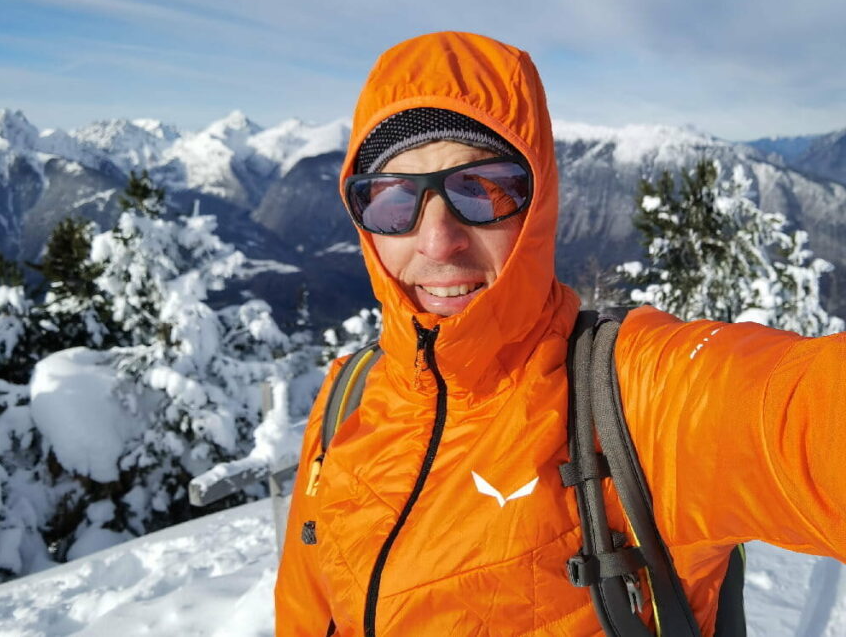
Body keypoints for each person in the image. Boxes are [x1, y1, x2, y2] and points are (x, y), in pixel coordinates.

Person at [274, 31, 846, 636]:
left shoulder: (636, 400)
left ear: (538, 202)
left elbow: (802, 413)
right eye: (392, 200)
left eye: (481, 188)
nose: (437, 241)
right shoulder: (349, 398)